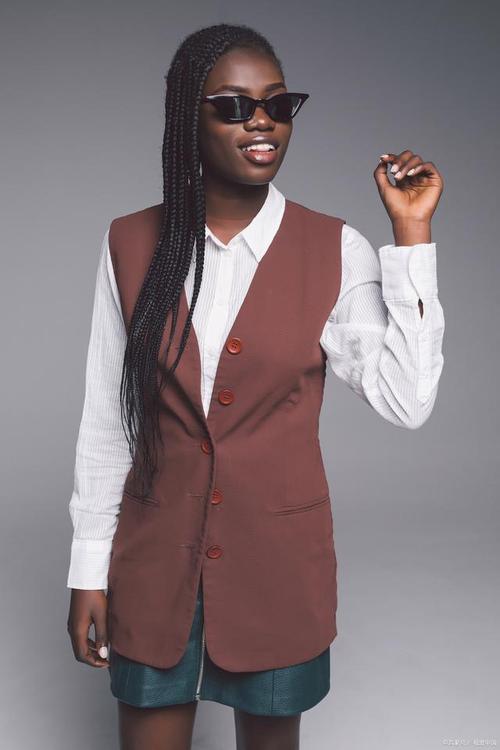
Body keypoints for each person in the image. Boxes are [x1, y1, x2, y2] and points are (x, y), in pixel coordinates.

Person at [66, 22, 445, 750]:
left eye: (277, 104)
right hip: (154, 559)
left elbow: (408, 401)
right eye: (235, 106)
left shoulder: (334, 248)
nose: (262, 121)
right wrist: (88, 566)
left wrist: (412, 238)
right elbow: (108, 420)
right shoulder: (130, 242)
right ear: (188, 116)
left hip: (278, 565)